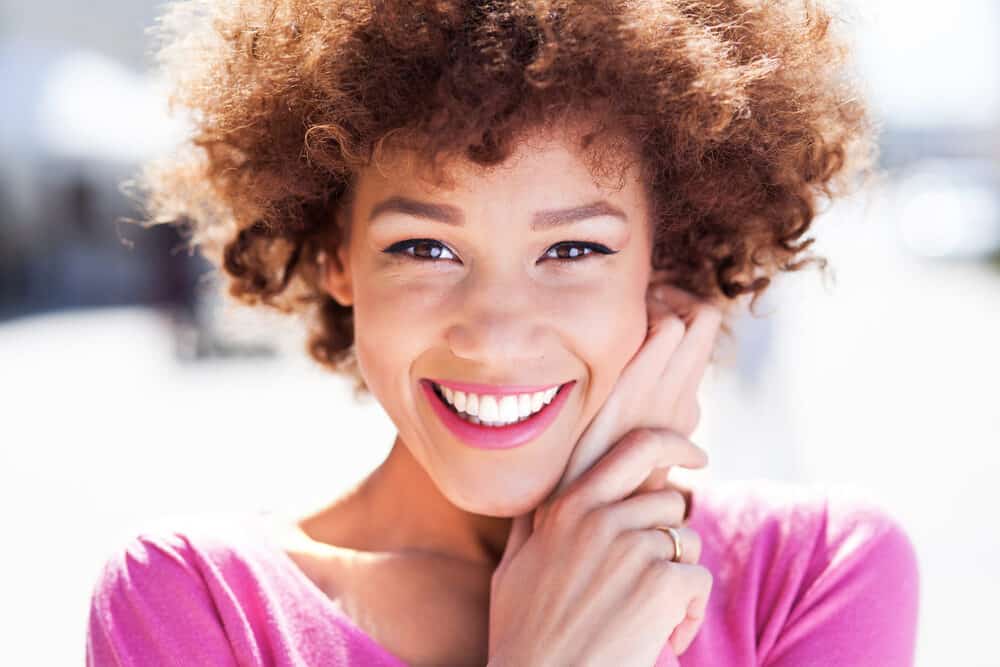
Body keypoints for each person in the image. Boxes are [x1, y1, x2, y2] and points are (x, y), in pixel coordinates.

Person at [85, 1, 919, 665]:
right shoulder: (197, 603)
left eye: (573, 248)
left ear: (663, 263)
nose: (492, 335)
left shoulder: (816, 574)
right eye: (424, 246)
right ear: (338, 257)